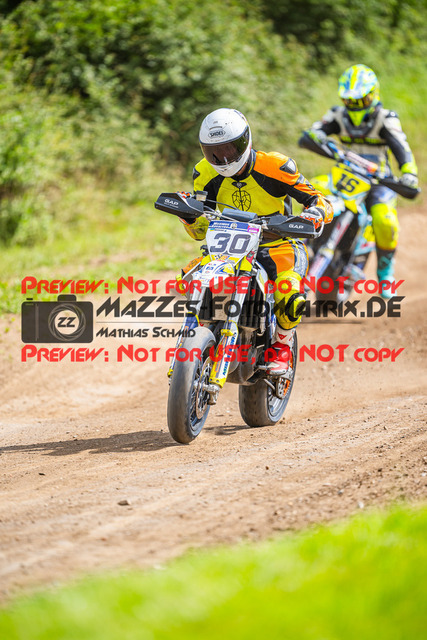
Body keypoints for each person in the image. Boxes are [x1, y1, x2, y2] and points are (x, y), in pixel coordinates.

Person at [179, 107, 333, 375]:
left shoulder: (275, 166)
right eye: (214, 151)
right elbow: (200, 231)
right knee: (188, 279)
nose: (223, 158)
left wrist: (315, 214)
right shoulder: (203, 172)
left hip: (278, 244)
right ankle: (196, 337)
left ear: (245, 140)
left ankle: (281, 347)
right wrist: (189, 217)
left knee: (290, 294)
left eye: (229, 149)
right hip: (227, 246)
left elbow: (318, 199)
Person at [299, 64, 418, 298]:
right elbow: (315, 131)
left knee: (384, 219)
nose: (355, 106)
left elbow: (402, 149)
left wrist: (409, 173)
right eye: (350, 101)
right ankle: (302, 238)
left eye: (361, 100)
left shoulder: (385, 118)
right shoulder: (337, 114)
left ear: (373, 94)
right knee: (310, 188)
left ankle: (385, 273)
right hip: (345, 175)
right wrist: (317, 135)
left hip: (378, 181)